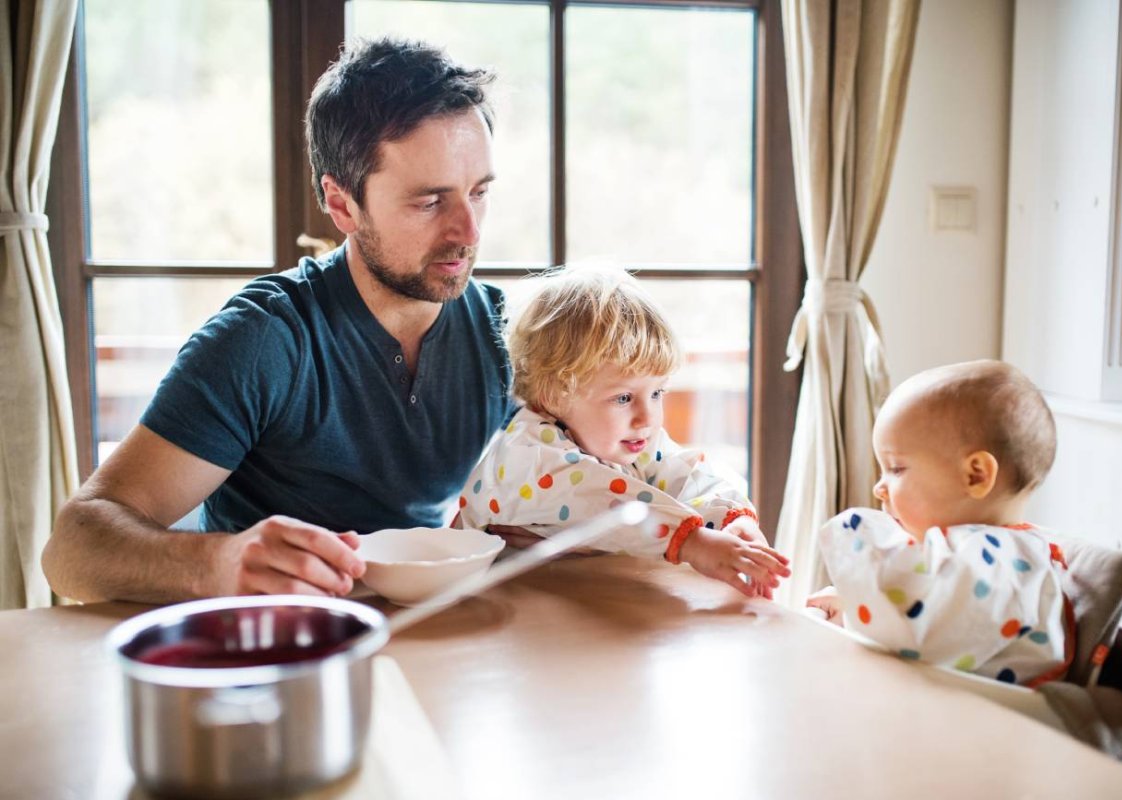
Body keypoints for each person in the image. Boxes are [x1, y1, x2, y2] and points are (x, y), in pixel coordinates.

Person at [42, 38, 515, 603]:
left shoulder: (505, 332)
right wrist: (217, 563)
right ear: (341, 204)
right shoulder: (265, 338)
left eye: (479, 192)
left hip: (432, 630)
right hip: (274, 637)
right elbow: (71, 550)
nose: (469, 231)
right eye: (429, 202)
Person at [457, 266, 791, 598]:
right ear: (553, 394)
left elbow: (687, 471)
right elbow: (597, 498)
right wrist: (691, 541)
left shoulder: (628, 440)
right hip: (493, 610)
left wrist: (732, 518)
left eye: (657, 393)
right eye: (623, 398)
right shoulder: (528, 453)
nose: (647, 417)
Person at [806, 359, 1073, 686]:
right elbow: (926, 619)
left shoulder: (1003, 561)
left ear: (975, 476)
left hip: (993, 713)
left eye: (896, 469)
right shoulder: (977, 551)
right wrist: (854, 610)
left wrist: (855, 536)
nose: (879, 488)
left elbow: (919, 636)